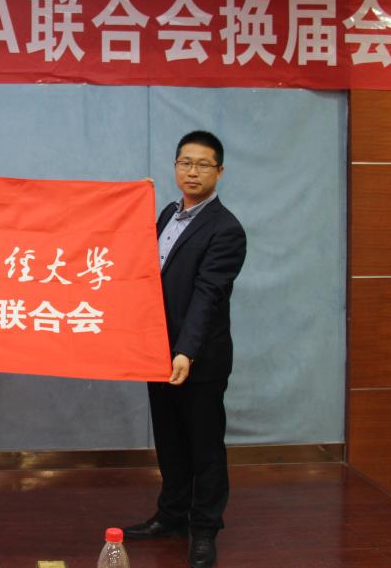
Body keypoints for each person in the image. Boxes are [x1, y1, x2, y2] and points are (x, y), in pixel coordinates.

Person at [123, 130, 246, 568]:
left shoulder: (226, 229)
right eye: (185, 163)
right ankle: (171, 516)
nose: (192, 171)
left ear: (219, 172)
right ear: (175, 167)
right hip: (157, 352)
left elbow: (207, 296)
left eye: (203, 164)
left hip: (198, 359)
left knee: (205, 446)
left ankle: (205, 529)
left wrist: (185, 352)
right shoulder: (165, 215)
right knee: (171, 440)